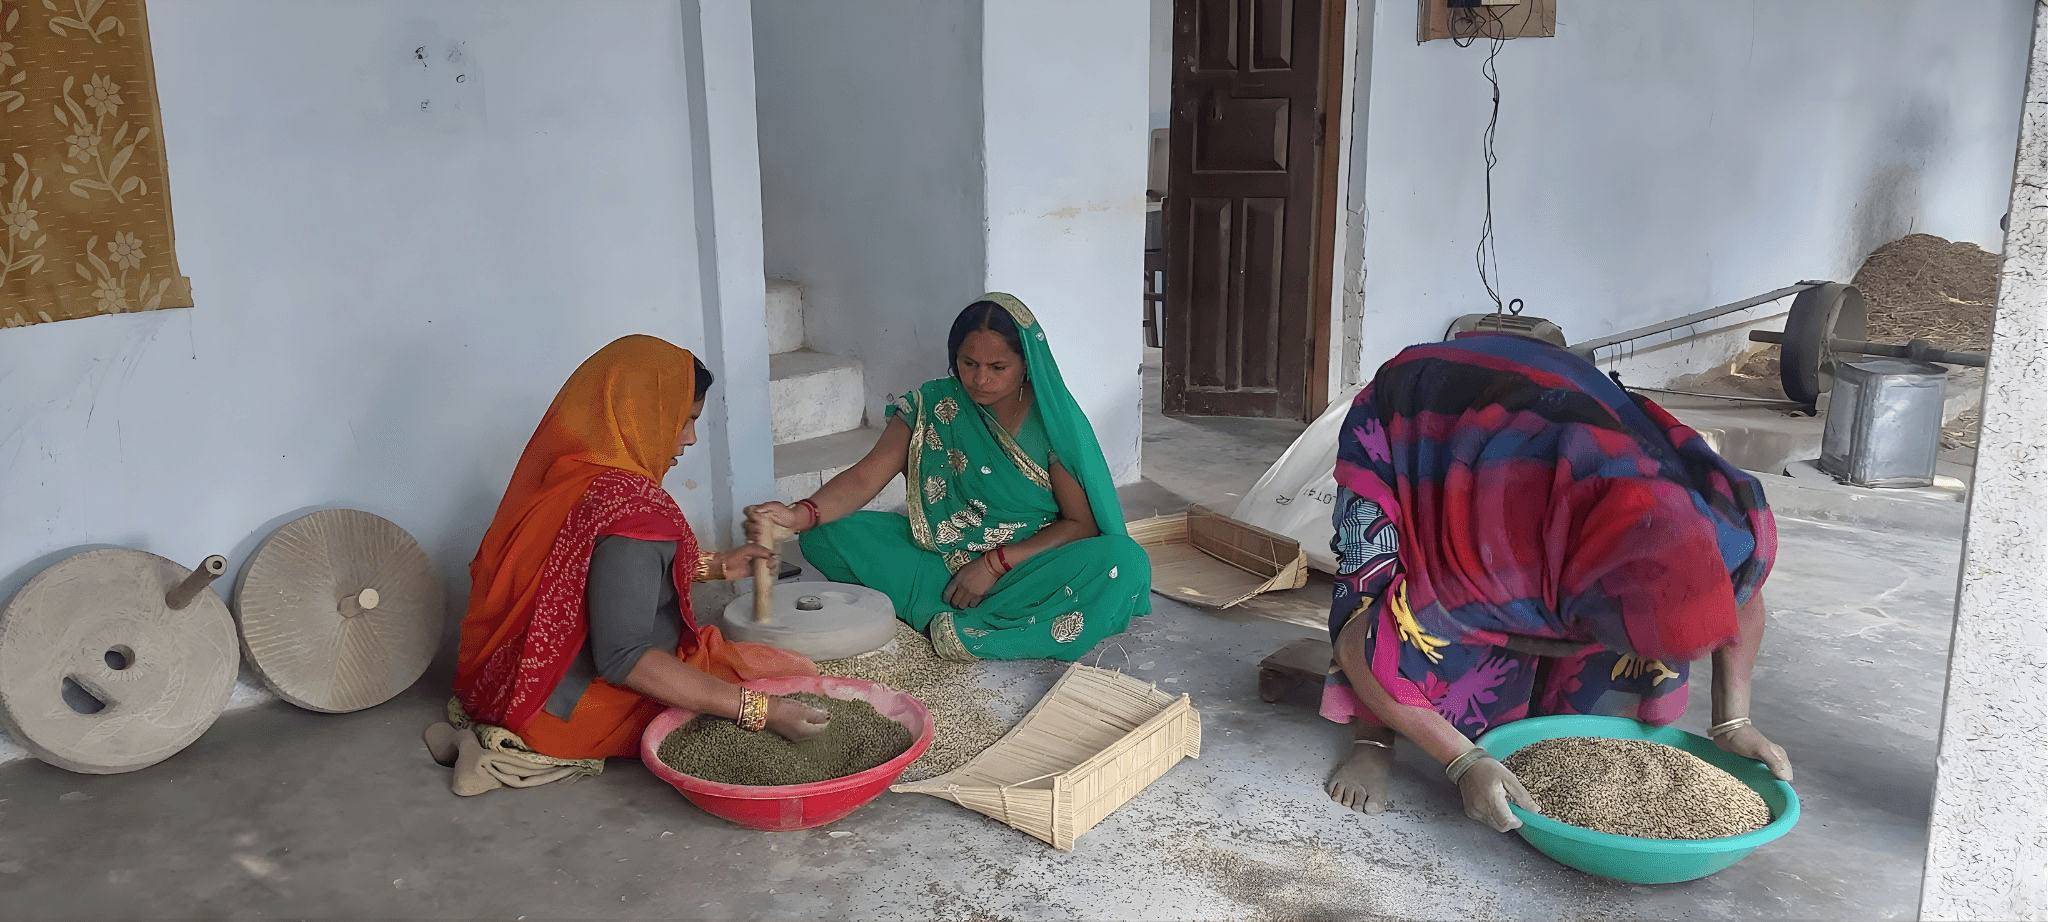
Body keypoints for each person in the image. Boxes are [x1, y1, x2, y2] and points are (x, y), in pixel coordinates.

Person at [1320, 332, 1795, 832]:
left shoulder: (1726, 532)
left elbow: (1743, 597)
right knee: (1372, 569)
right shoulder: (1491, 566)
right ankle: (1372, 742)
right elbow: (1362, 648)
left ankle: (1543, 718)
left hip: (1564, 424)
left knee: (1633, 637)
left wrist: (1733, 720)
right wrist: (1461, 759)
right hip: (1427, 405)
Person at [427, 335, 827, 795]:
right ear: (643, 413)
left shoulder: (573, 474)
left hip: (513, 682)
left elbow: (586, 573)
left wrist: (715, 567)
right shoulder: (635, 516)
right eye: (685, 420)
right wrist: (761, 711)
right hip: (569, 712)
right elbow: (624, 658)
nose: (690, 438)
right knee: (786, 673)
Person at [747, 294, 1151, 662]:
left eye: (998, 367)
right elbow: (863, 479)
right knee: (824, 535)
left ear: (1025, 364)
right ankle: (973, 609)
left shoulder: (1050, 421)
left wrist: (995, 564)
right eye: (969, 364)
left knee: (1124, 562)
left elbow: (1081, 524)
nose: (980, 380)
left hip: (1030, 564)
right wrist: (796, 516)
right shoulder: (934, 403)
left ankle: (972, 622)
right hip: (944, 553)